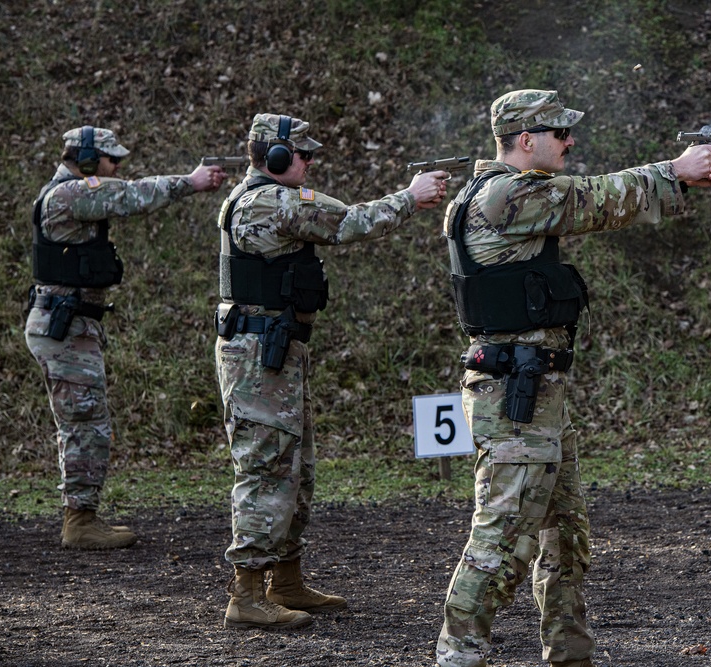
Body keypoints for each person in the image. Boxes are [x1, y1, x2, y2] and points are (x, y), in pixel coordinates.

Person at [435, 89, 711, 667]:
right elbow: (594, 199)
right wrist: (674, 172)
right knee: (501, 543)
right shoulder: (503, 196)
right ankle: (456, 655)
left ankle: (569, 652)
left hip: (538, 392)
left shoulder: (499, 191)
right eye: (559, 134)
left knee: (565, 535)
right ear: (525, 141)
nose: (570, 142)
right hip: (515, 397)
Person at [215, 112, 448, 631]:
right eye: (303, 154)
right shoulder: (268, 204)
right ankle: (247, 593)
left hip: (274, 351)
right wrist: (410, 196)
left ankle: (286, 579)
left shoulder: (268, 200)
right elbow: (350, 223)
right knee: (266, 470)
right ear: (275, 158)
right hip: (260, 355)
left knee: (296, 468)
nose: (311, 163)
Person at [25, 125, 227, 551]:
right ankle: (79, 521)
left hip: (72, 322)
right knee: (85, 422)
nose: (116, 165)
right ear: (84, 161)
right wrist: (190, 183)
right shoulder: (70, 194)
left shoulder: (70, 192)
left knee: (84, 420)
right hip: (66, 325)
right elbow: (132, 194)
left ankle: (81, 515)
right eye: (109, 158)